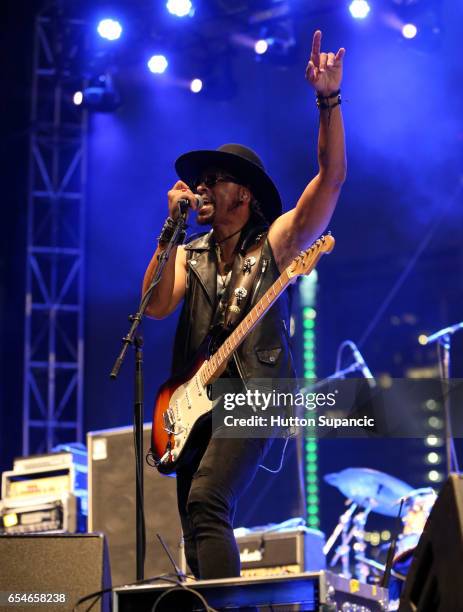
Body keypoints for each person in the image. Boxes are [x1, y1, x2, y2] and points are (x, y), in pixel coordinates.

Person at [143, 30, 346, 580]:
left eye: (215, 181)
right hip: (195, 397)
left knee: (208, 500)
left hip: (258, 391)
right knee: (195, 518)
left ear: (245, 194)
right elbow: (156, 307)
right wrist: (169, 230)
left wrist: (327, 102)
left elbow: (330, 180)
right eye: (199, 182)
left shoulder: (275, 242)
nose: (202, 188)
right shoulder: (190, 251)